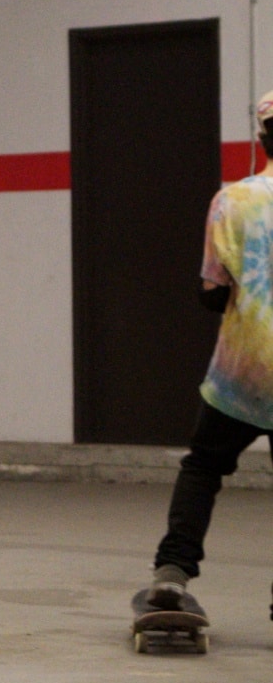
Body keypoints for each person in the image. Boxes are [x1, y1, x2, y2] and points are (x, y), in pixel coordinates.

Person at [142, 91, 273, 618]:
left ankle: (173, 574)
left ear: (262, 138)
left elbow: (212, 292)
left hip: (242, 372)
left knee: (203, 468)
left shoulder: (231, 202)